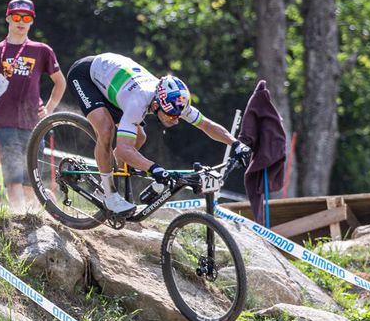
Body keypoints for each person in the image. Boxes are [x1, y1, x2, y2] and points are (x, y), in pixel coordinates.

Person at [64, 52, 252, 215]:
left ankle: (110, 177)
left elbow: (206, 125)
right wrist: (154, 168)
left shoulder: (174, 101)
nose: (175, 120)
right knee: (106, 131)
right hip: (86, 76)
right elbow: (123, 149)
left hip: (115, 82)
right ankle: (109, 193)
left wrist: (235, 143)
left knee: (140, 137)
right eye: (170, 115)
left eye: (178, 115)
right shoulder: (138, 102)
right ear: (156, 105)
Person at [0, 0, 66, 211]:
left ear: (32, 21)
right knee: (13, 179)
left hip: (35, 126)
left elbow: (60, 83)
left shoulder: (42, 50)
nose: (21, 21)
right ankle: (19, 217)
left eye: (27, 17)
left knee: (31, 181)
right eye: (17, 16)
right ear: (8, 18)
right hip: (5, 125)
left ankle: (32, 219)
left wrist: (49, 110)